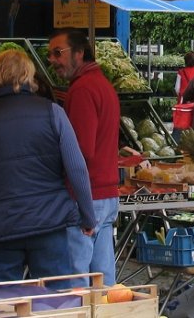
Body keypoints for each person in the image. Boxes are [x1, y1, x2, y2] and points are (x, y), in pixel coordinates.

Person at [0, 50, 96, 290]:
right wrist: (88, 216)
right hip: (48, 223)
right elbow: (77, 168)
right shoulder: (53, 112)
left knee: (4, 305)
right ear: (29, 75)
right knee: (56, 301)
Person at [47, 29, 121, 285]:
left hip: (85, 196)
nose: (52, 60)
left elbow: (80, 151)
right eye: (50, 54)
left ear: (79, 53)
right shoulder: (102, 85)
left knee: (76, 282)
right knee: (103, 281)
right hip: (106, 194)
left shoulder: (81, 90)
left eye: (58, 53)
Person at [172, 51, 194, 141]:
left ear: (186, 61)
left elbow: (177, 89)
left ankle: (175, 144)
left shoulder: (181, 72)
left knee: (180, 125)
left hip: (184, 104)